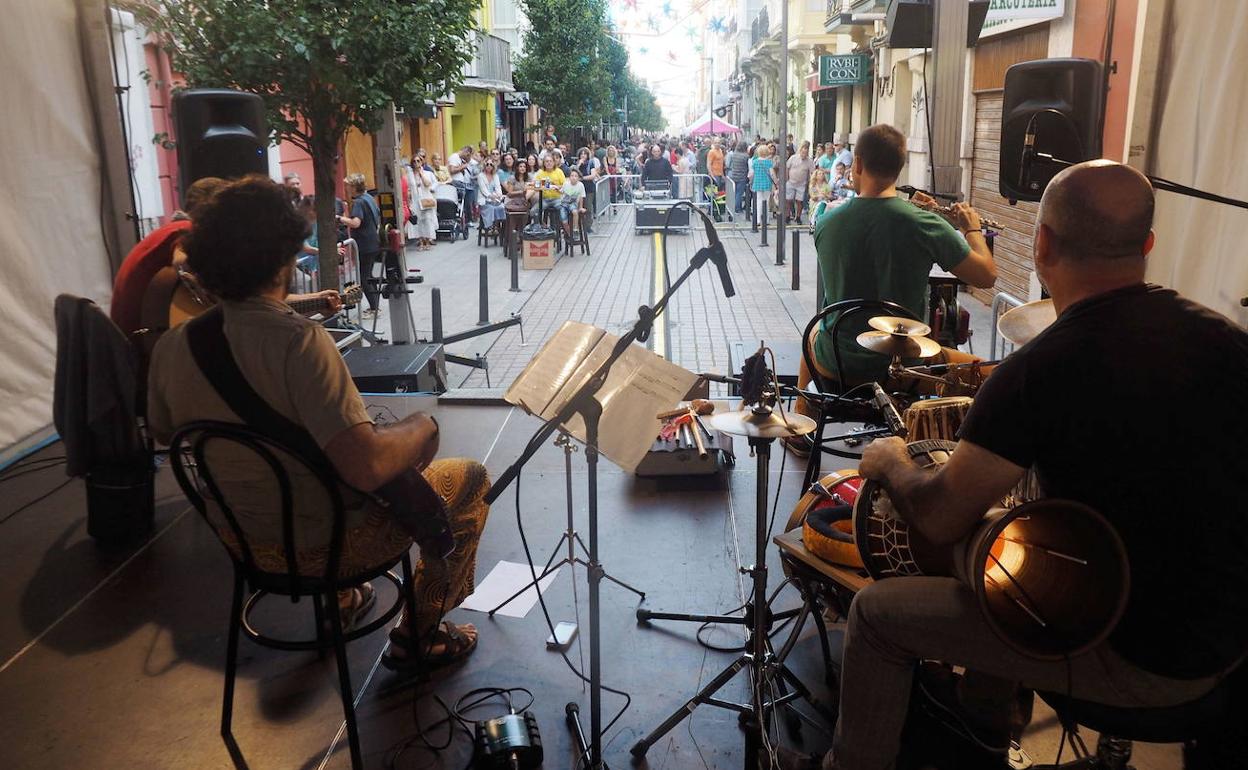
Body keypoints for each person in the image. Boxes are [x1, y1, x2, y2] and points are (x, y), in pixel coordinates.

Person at [778, 160, 1248, 770]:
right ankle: (982, 725)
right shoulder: (1226, 340)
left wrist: (892, 462)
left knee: (880, 613)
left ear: (1043, 243)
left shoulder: (1043, 368)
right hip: (1227, 646)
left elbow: (941, 517)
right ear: (1148, 245)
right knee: (1007, 547)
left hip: (1133, 655)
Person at [146, 175, 491, 674]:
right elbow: (368, 467)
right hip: (326, 548)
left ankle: (347, 599)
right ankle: (421, 633)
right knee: (469, 479)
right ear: (285, 258)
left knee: (306, 469)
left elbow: (163, 431)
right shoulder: (299, 343)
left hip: (242, 540)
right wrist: (422, 428)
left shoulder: (173, 346)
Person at [800, 124, 997, 412]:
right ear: (899, 168)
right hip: (904, 369)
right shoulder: (926, 225)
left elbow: (872, 230)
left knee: (817, 330)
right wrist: (972, 229)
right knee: (987, 373)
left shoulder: (827, 223)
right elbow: (986, 276)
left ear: (857, 164)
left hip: (837, 365)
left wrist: (912, 211)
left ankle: (801, 424)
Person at [110, 176, 228, 339]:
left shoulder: (169, 230)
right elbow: (181, 261)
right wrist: (215, 300)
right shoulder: (186, 230)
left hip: (128, 337)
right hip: (141, 343)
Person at [338, 174, 384, 318]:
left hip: (364, 244)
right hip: (373, 242)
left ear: (353, 187)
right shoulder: (369, 198)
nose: (346, 189)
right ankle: (375, 306)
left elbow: (355, 223)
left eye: (347, 186)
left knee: (364, 278)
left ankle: (374, 309)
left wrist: (339, 218)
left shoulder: (358, 202)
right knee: (369, 276)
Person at [748, 143, 776, 231]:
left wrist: (750, 180)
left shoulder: (755, 162)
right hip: (767, 184)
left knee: (758, 202)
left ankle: (758, 220)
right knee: (766, 202)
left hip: (757, 183)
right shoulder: (769, 162)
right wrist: (776, 182)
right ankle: (766, 220)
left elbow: (751, 174)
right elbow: (772, 174)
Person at [412, 160, 438, 252]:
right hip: (416, 200)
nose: (416, 163)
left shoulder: (427, 173)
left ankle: (427, 241)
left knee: (427, 221)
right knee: (418, 221)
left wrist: (421, 174)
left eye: (418, 161)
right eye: (414, 161)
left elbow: (427, 184)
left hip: (426, 199)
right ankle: (421, 242)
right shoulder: (411, 175)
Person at [785, 142, 814, 223]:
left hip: (801, 184)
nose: (804, 154)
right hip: (790, 182)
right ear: (800, 151)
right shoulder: (793, 158)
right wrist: (786, 179)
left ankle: (798, 217)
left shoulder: (809, 161)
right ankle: (787, 216)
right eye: (803, 152)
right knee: (788, 200)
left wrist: (811, 183)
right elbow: (787, 167)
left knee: (799, 201)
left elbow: (812, 172)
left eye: (806, 153)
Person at [557, 169, 586, 246]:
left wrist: (581, 207)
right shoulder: (566, 184)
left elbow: (581, 197)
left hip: (573, 203)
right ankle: (570, 234)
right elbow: (561, 191)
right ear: (569, 177)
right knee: (564, 221)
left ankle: (575, 229)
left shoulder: (580, 185)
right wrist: (557, 189)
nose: (573, 177)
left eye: (576, 176)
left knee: (575, 212)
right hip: (564, 203)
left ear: (578, 178)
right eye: (572, 176)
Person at [476, 160, 506, 235]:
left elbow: (498, 187)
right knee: (491, 208)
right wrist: (491, 196)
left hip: (495, 200)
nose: (489, 166)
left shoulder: (495, 176)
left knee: (501, 207)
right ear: (484, 166)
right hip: (485, 200)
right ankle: (490, 226)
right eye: (487, 164)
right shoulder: (480, 176)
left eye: (491, 165)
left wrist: (499, 195)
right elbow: (483, 190)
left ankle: (497, 227)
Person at [534, 153, 565, 219]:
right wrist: (544, 185)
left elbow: (565, 186)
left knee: (563, 209)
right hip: (544, 199)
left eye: (551, 161)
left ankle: (560, 227)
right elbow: (536, 187)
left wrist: (555, 186)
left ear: (554, 162)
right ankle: (540, 226)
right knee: (533, 212)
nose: (549, 163)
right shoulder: (540, 172)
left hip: (557, 198)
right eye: (547, 161)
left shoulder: (559, 172)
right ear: (544, 163)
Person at [726, 141, 750, 214]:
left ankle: (733, 206)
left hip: (733, 175)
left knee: (734, 192)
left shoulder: (734, 155)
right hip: (742, 176)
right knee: (739, 193)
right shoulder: (746, 156)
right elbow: (747, 166)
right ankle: (737, 208)